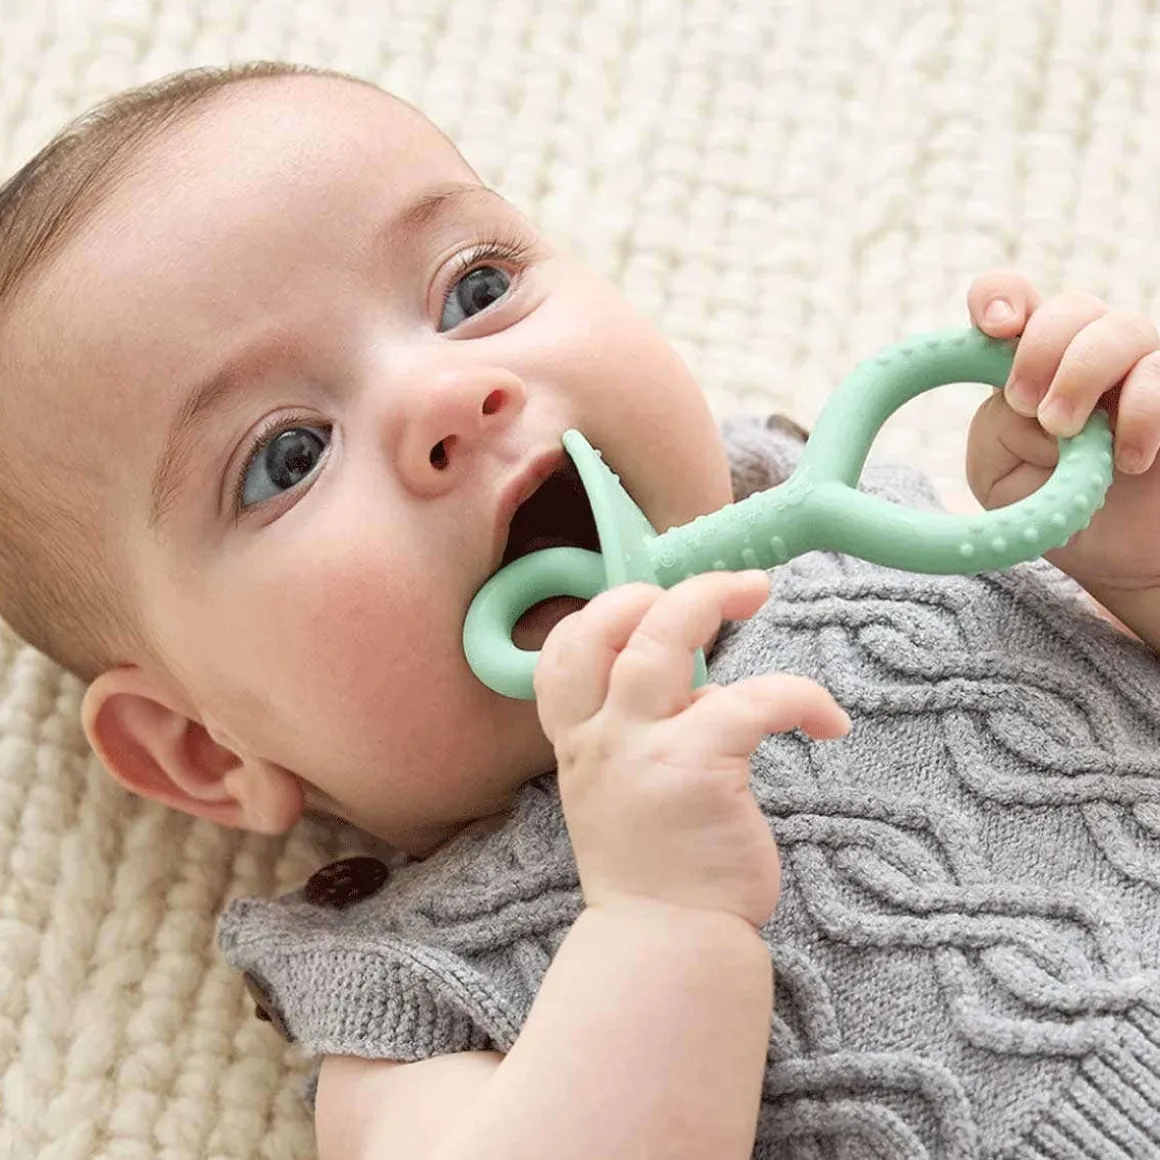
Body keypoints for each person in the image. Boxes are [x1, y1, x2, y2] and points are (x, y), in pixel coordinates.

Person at [2, 60, 1159, 1160]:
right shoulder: (416, 999)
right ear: (205, 748)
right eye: (286, 456)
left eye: (475, 289)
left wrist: (1133, 560)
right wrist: (658, 920)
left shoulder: (866, 520)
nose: (450, 393)